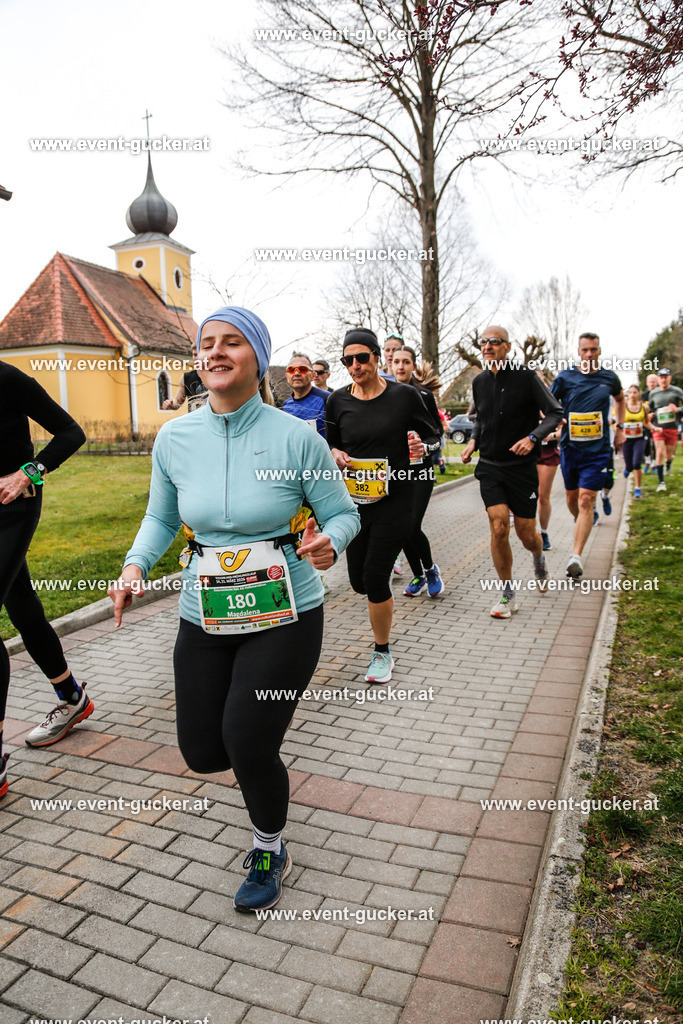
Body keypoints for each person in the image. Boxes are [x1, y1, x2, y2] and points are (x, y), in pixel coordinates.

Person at [109, 307, 359, 912]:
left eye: (233, 343)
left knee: (247, 741)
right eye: (207, 344)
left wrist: (332, 542)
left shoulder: (297, 437)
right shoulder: (175, 437)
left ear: (258, 358)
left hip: (285, 613)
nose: (216, 353)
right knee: (203, 750)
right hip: (206, 613)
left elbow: (343, 513)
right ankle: (253, 763)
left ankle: (270, 847)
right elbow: (162, 516)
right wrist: (134, 566)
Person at [325, 328, 441, 682]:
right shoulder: (337, 401)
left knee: (376, 576)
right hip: (355, 504)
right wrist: (334, 453)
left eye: (362, 358)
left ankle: (382, 653)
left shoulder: (405, 396)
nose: (355, 365)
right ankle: (412, 580)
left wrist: (424, 446)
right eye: (348, 360)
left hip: (397, 500)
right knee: (359, 582)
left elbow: (434, 434)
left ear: (378, 357)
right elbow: (331, 445)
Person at [0, 362, 90, 797]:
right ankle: (72, 697)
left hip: (12, 508)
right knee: (21, 607)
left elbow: (71, 433)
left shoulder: (8, 379)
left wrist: (27, 474)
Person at [460, 327, 563, 618]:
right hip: (490, 466)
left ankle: (539, 557)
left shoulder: (527, 377)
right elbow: (480, 418)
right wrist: (472, 443)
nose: (488, 346)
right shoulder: (479, 381)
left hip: (522, 470)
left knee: (527, 534)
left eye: (495, 342)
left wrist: (533, 437)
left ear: (508, 346)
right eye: (484, 341)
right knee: (499, 525)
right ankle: (508, 596)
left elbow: (555, 413)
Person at [551, 332, 625, 578]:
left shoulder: (609, 378)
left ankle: (576, 556)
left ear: (600, 350)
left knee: (585, 499)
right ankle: (583, 520)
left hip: (598, 450)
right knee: (573, 501)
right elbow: (548, 403)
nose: (589, 354)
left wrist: (621, 428)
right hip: (571, 449)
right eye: (585, 350)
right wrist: (556, 420)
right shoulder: (565, 377)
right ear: (579, 351)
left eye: (593, 349)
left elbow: (620, 399)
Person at [391, 345, 445, 597]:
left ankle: (431, 569)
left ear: (413, 366)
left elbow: (438, 434)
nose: (400, 366)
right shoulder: (384, 395)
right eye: (396, 362)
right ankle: (418, 575)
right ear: (390, 365)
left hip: (420, 473)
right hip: (392, 474)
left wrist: (425, 447)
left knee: (411, 525)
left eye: (405, 362)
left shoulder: (424, 396)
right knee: (400, 528)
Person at [534, 371, 562, 551]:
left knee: (543, 496)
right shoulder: (524, 403)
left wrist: (547, 436)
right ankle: (529, 530)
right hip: (527, 454)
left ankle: (543, 532)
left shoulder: (552, 402)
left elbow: (561, 429)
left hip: (547, 454)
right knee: (528, 495)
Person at [647, 368, 683, 493]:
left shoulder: (677, 391)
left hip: (672, 427)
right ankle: (661, 481)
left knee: (669, 455)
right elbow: (651, 409)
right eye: (661, 377)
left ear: (670, 378)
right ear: (658, 379)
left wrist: (678, 410)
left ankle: (668, 463)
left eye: (665, 377)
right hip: (658, 428)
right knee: (660, 452)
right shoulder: (653, 393)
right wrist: (650, 415)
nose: (663, 379)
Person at [282, 353, 329, 437]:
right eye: (291, 370)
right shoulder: (285, 406)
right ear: (287, 376)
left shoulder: (327, 399)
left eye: (302, 369)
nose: (296, 373)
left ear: (313, 375)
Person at [622, 384, 650, 498]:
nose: (632, 395)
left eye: (635, 392)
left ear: (639, 393)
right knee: (629, 465)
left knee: (637, 463)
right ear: (628, 394)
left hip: (639, 438)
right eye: (630, 392)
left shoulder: (644, 407)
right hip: (626, 439)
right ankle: (628, 469)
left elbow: (646, 422)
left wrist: (655, 428)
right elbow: (617, 419)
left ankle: (638, 488)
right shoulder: (623, 406)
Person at [641, 373, 659, 472]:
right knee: (646, 442)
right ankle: (647, 460)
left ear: (657, 383)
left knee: (655, 442)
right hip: (646, 422)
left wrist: (653, 414)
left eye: (654, 382)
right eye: (650, 382)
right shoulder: (644, 395)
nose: (652, 383)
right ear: (647, 383)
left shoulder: (659, 393)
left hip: (656, 422)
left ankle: (655, 462)